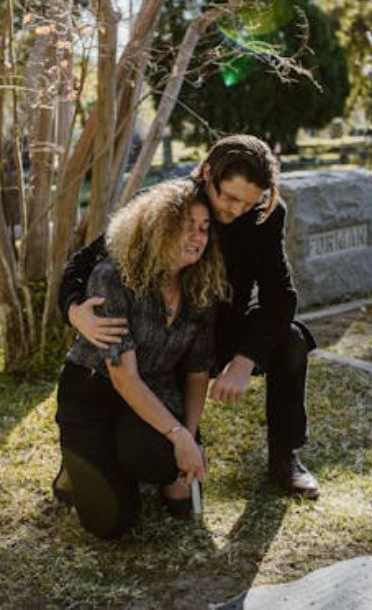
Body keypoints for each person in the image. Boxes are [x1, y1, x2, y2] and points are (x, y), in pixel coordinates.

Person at [60, 135, 319, 499]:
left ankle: (284, 456)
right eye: (228, 198)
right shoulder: (171, 204)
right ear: (207, 173)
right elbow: (82, 264)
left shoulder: (266, 214)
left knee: (290, 340)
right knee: (172, 475)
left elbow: (280, 296)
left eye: (249, 202)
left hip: (224, 330)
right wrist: (73, 311)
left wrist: (245, 361)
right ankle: (94, 453)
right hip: (169, 340)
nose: (236, 210)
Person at [54, 179, 229, 539]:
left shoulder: (201, 284)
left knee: (161, 458)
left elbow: (197, 373)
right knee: (113, 522)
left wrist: (190, 439)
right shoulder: (113, 277)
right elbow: (123, 378)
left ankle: (115, 460)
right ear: (158, 229)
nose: (197, 238)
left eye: (204, 229)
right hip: (94, 393)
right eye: (186, 227)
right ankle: (74, 466)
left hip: (152, 392)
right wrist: (178, 434)